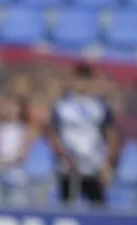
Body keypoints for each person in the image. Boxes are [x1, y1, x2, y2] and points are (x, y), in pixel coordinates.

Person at [49, 62, 116, 206]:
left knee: (99, 207)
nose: (82, 84)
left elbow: (110, 135)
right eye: (79, 79)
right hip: (69, 167)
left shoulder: (100, 106)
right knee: (67, 208)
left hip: (93, 167)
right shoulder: (62, 106)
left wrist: (107, 162)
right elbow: (54, 135)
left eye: (86, 80)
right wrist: (65, 156)